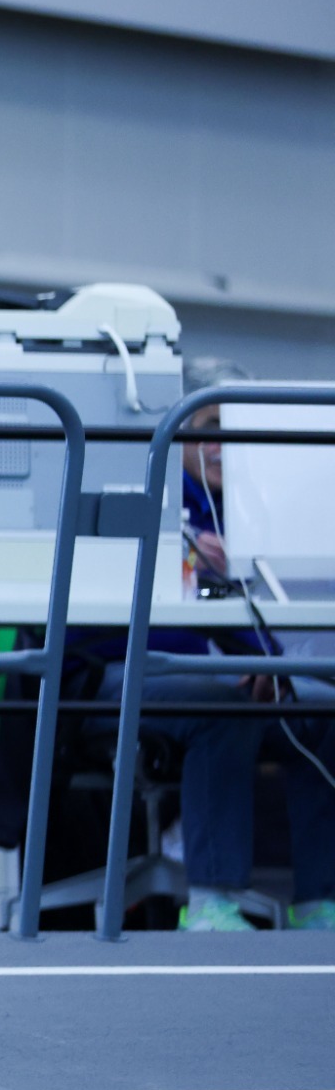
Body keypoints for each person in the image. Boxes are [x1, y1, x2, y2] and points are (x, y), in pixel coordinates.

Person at [77, 356, 335, 930]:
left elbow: (273, 613)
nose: (225, 446)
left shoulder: (255, 509)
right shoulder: (152, 494)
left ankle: (322, 902)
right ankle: (213, 900)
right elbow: (129, 618)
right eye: (210, 429)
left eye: (237, 431)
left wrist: (267, 662)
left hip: (227, 672)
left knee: (322, 709)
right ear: (179, 429)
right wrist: (185, 560)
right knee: (221, 708)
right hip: (120, 668)